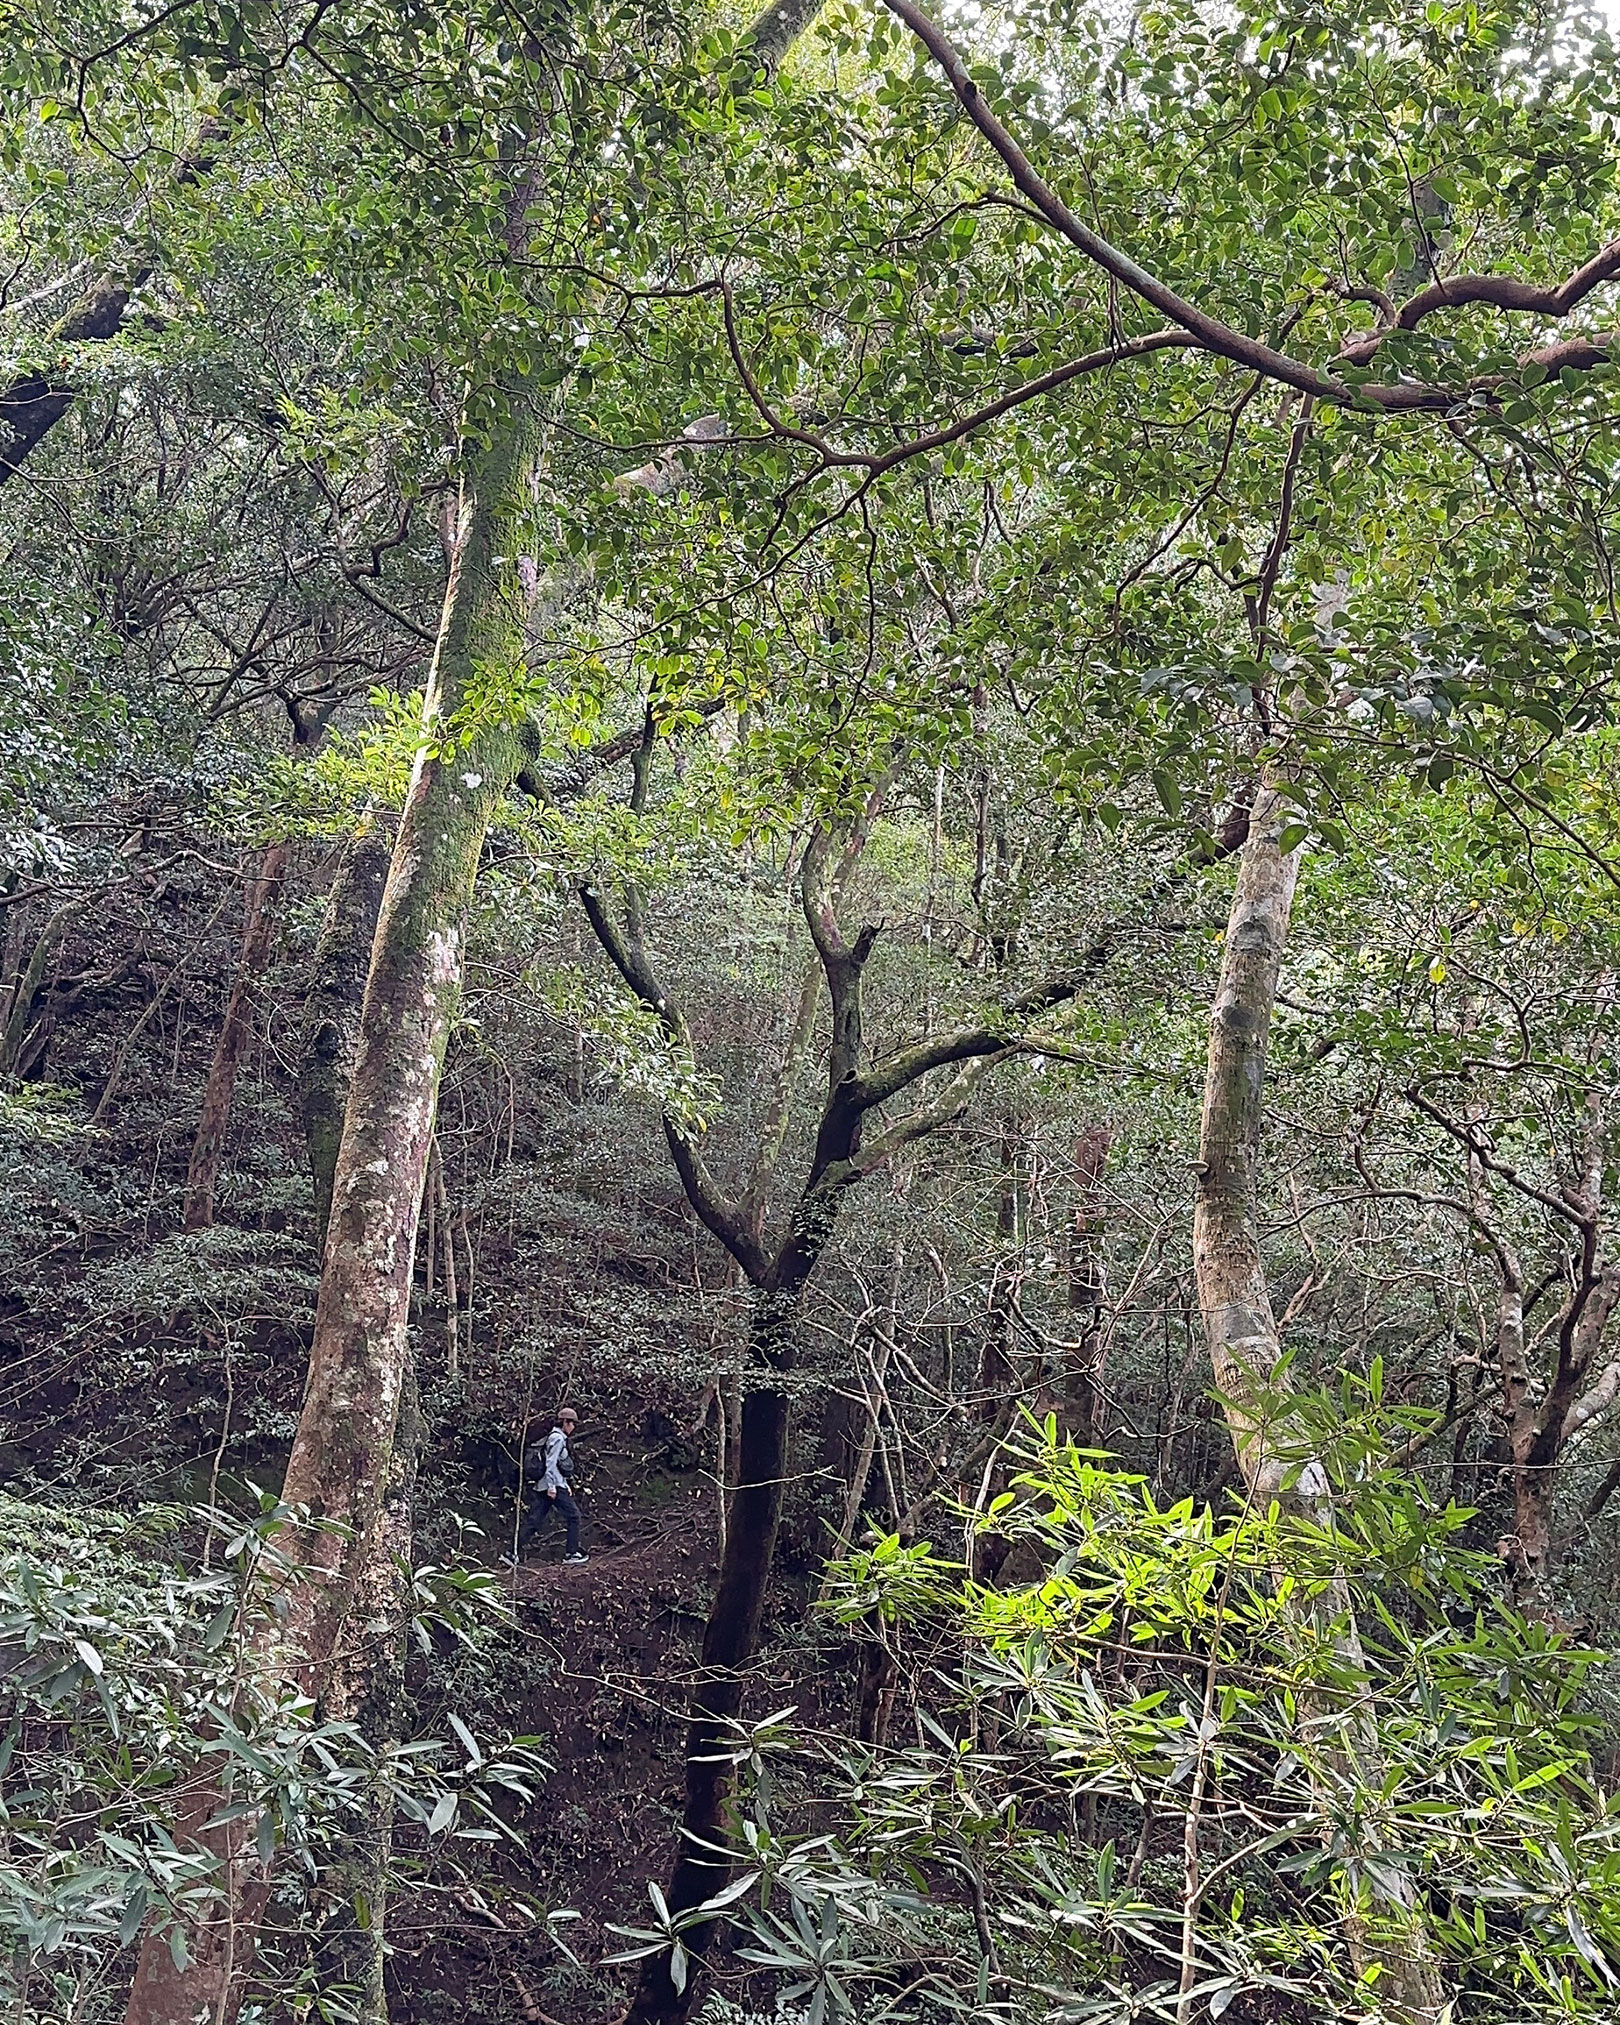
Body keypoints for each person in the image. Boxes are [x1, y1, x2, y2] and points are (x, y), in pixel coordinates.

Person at [515, 1406, 587, 1564]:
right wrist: (553, 1486)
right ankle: (571, 1553)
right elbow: (551, 1463)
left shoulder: (555, 1437)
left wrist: (565, 1483)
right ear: (565, 1422)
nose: (573, 1427)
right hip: (551, 1487)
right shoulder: (557, 1438)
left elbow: (557, 1466)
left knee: (534, 1520)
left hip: (546, 1485)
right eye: (572, 1423)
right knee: (574, 1516)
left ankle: (511, 1553)